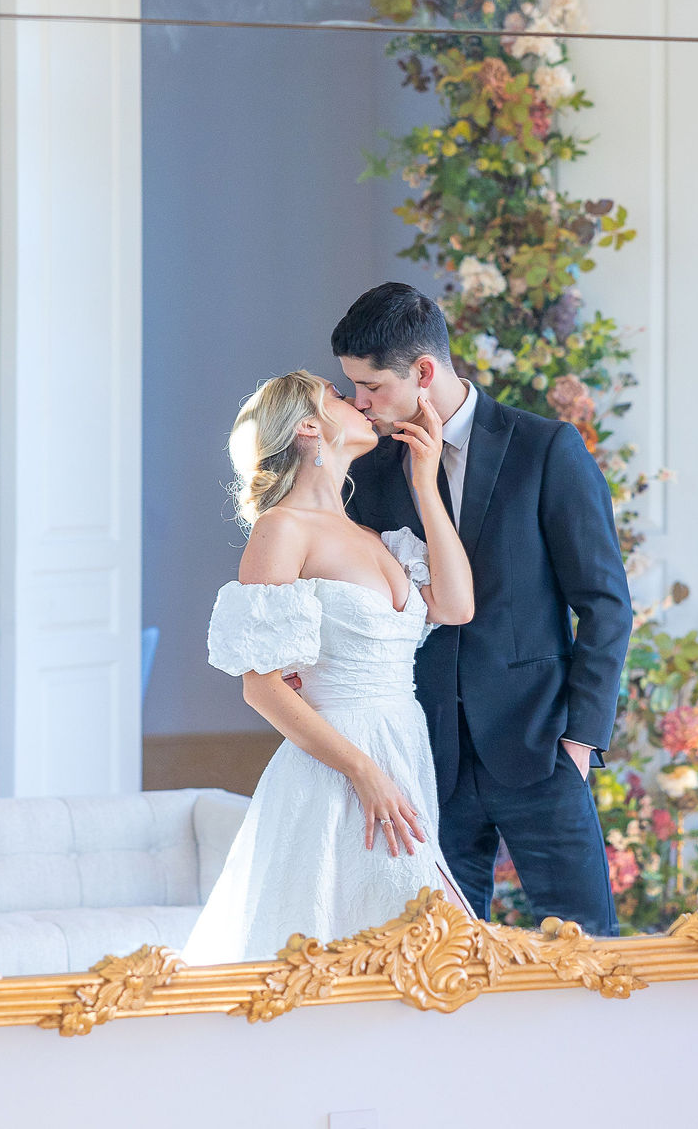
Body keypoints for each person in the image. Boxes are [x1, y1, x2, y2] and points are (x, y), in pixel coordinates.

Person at [333, 282, 631, 937]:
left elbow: (606, 604)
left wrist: (580, 740)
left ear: (424, 372)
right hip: (425, 757)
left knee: (587, 951)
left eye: (372, 386)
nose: (361, 402)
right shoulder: (375, 468)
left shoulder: (546, 449)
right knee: (440, 956)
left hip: (541, 745)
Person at [182, 370, 476, 961]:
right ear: (310, 427)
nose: (358, 401)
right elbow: (262, 689)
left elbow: (456, 605)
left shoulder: (374, 537)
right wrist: (363, 773)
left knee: (418, 952)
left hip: (403, 748)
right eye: (340, 396)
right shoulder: (280, 530)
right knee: (375, 946)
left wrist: (426, 484)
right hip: (339, 769)